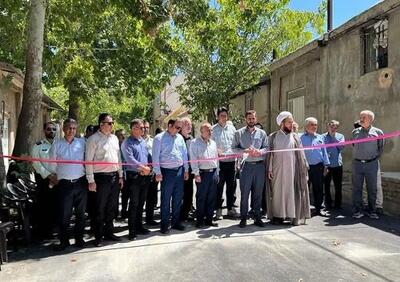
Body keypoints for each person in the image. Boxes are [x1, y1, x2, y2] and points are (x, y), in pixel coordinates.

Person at [86, 113, 124, 247]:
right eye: (109, 123)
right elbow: (88, 161)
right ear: (101, 124)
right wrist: (91, 180)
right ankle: (98, 236)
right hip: (100, 178)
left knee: (112, 207)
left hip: (114, 177)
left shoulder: (114, 138)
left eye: (112, 122)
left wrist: (120, 176)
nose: (112, 125)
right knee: (99, 208)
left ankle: (109, 232)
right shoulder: (93, 139)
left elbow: (118, 159)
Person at [49, 118, 87, 251]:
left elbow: (87, 160)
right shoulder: (57, 144)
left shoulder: (82, 143)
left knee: (81, 214)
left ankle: (79, 239)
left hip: (80, 183)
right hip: (64, 184)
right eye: (69, 128)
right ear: (64, 129)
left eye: (74, 128)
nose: (71, 130)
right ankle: (64, 241)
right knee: (64, 215)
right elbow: (52, 163)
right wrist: (55, 175)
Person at [267, 112, 310, 225]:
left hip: (292, 170)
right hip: (277, 170)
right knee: (277, 193)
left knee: (291, 193)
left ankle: (292, 216)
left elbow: (301, 154)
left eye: (292, 122)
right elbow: (270, 154)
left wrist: (304, 169)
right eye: (289, 122)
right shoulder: (273, 136)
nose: (292, 124)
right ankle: (278, 216)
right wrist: (270, 169)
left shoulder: (295, 137)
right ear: (282, 123)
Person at [152, 118, 189, 234]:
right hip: (166, 172)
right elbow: (155, 157)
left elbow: (184, 154)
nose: (179, 130)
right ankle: (164, 224)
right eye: (177, 127)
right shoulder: (159, 138)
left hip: (179, 171)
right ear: (169, 125)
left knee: (178, 198)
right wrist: (157, 172)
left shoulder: (179, 138)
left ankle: (176, 222)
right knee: (166, 199)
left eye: (180, 128)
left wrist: (186, 169)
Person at [233, 110, 268, 228]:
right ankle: (243, 218)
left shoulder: (262, 133)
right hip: (246, 167)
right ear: (245, 119)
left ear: (256, 119)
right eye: (249, 119)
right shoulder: (239, 133)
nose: (251, 121)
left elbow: (267, 148)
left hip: (259, 166)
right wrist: (244, 151)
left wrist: (260, 152)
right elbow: (233, 149)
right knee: (245, 194)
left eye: (253, 118)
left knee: (258, 193)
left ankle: (257, 217)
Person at [121, 119, 152, 240]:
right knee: (134, 203)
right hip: (134, 177)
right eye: (141, 128)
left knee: (141, 203)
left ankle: (139, 226)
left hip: (144, 176)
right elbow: (130, 160)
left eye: (144, 128)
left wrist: (149, 167)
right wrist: (143, 168)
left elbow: (147, 156)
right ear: (134, 128)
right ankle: (132, 230)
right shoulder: (127, 143)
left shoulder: (142, 141)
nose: (144, 130)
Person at [352, 110, 384, 219]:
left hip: (372, 164)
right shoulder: (355, 132)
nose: (361, 119)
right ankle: (358, 210)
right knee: (357, 188)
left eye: (364, 117)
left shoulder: (378, 132)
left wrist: (373, 159)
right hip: (357, 164)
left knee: (372, 188)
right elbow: (353, 145)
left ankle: (372, 211)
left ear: (371, 119)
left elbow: (381, 148)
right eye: (360, 117)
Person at [31, 121, 58, 240]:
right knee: (45, 206)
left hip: (58, 179)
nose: (51, 131)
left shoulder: (60, 144)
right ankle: (45, 232)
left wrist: (57, 176)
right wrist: (49, 176)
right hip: (44, 180)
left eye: (53, 129)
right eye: (48, 129)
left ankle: (56, 230)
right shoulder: (38, 145)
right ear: (44, 131)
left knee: (57, 206)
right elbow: (36, 163)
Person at [190, 123, 219, 228]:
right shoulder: (195, 143)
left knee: (211, 197)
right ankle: (200, 220)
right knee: (201, 198)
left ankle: (209, 219)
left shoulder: (213, 143)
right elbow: (193, 160)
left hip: (213, 173)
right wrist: (196, 174)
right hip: (202, 173)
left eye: (211, 130)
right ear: (202, 131)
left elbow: (216, 159)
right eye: (208, 130)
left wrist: (217, 173)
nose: (210, 132)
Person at [211, 107, 238, 220]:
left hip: (231, 162)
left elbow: (236, 144)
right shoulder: (213, 130)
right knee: (219, 186)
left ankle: (231, 208)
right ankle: (218, 209)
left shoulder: (232, 129)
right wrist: (216, 150)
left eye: (225, 116)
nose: (223, 118)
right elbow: (209, 144)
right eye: (221, 116)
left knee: (231, 186)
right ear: (217, 117)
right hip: (219, 163)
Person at [300, 117, 330, 217]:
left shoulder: (320, 137)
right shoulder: (301, 138)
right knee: (305, 188)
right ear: (306, 126)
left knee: (319, 188)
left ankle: (319, 208)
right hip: (305, 167)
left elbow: (324, 151)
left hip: (318, 167)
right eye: (312, 124)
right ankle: (305, 209)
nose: (314, 127)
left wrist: (326, 165)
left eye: (316, 125)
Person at [323, 120, 345, 209]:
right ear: (328, 127)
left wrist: (333, 137)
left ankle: (338, 204)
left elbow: (341, 147)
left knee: (338, 185)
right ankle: (328, 203)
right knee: (326, 185)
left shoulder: (340, 136)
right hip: (327, 165)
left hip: (337, 164)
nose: (333, 128)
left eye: (335, 127)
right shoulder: (322, 137)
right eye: (331, 126)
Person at [143, 120, 159, 225]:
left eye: (147, 127)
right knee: (139, 199)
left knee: (151, 197)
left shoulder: (153, 141)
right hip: (140, 173)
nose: (145, 129)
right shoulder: (136, 141)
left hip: (152, 172)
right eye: (143, 127)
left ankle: (149, 219)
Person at [179, 117, 195, 222]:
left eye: (190, 124)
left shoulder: (191, 139)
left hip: (190, 169)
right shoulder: (178, 138)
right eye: (186, 124)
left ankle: (187, 212)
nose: (189, 126)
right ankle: (180, 214)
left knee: (189, 192)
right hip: (180, 170)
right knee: (181, 193)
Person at [115, 129, 129, 220]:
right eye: (120, 135)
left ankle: (124, 211)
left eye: (124, 135)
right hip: (116, 174)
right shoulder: (114, 147)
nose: (123, 137)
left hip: (126, 174)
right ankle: (115, 213)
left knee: (125, 194)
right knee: (115, 196)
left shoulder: (127, 147)